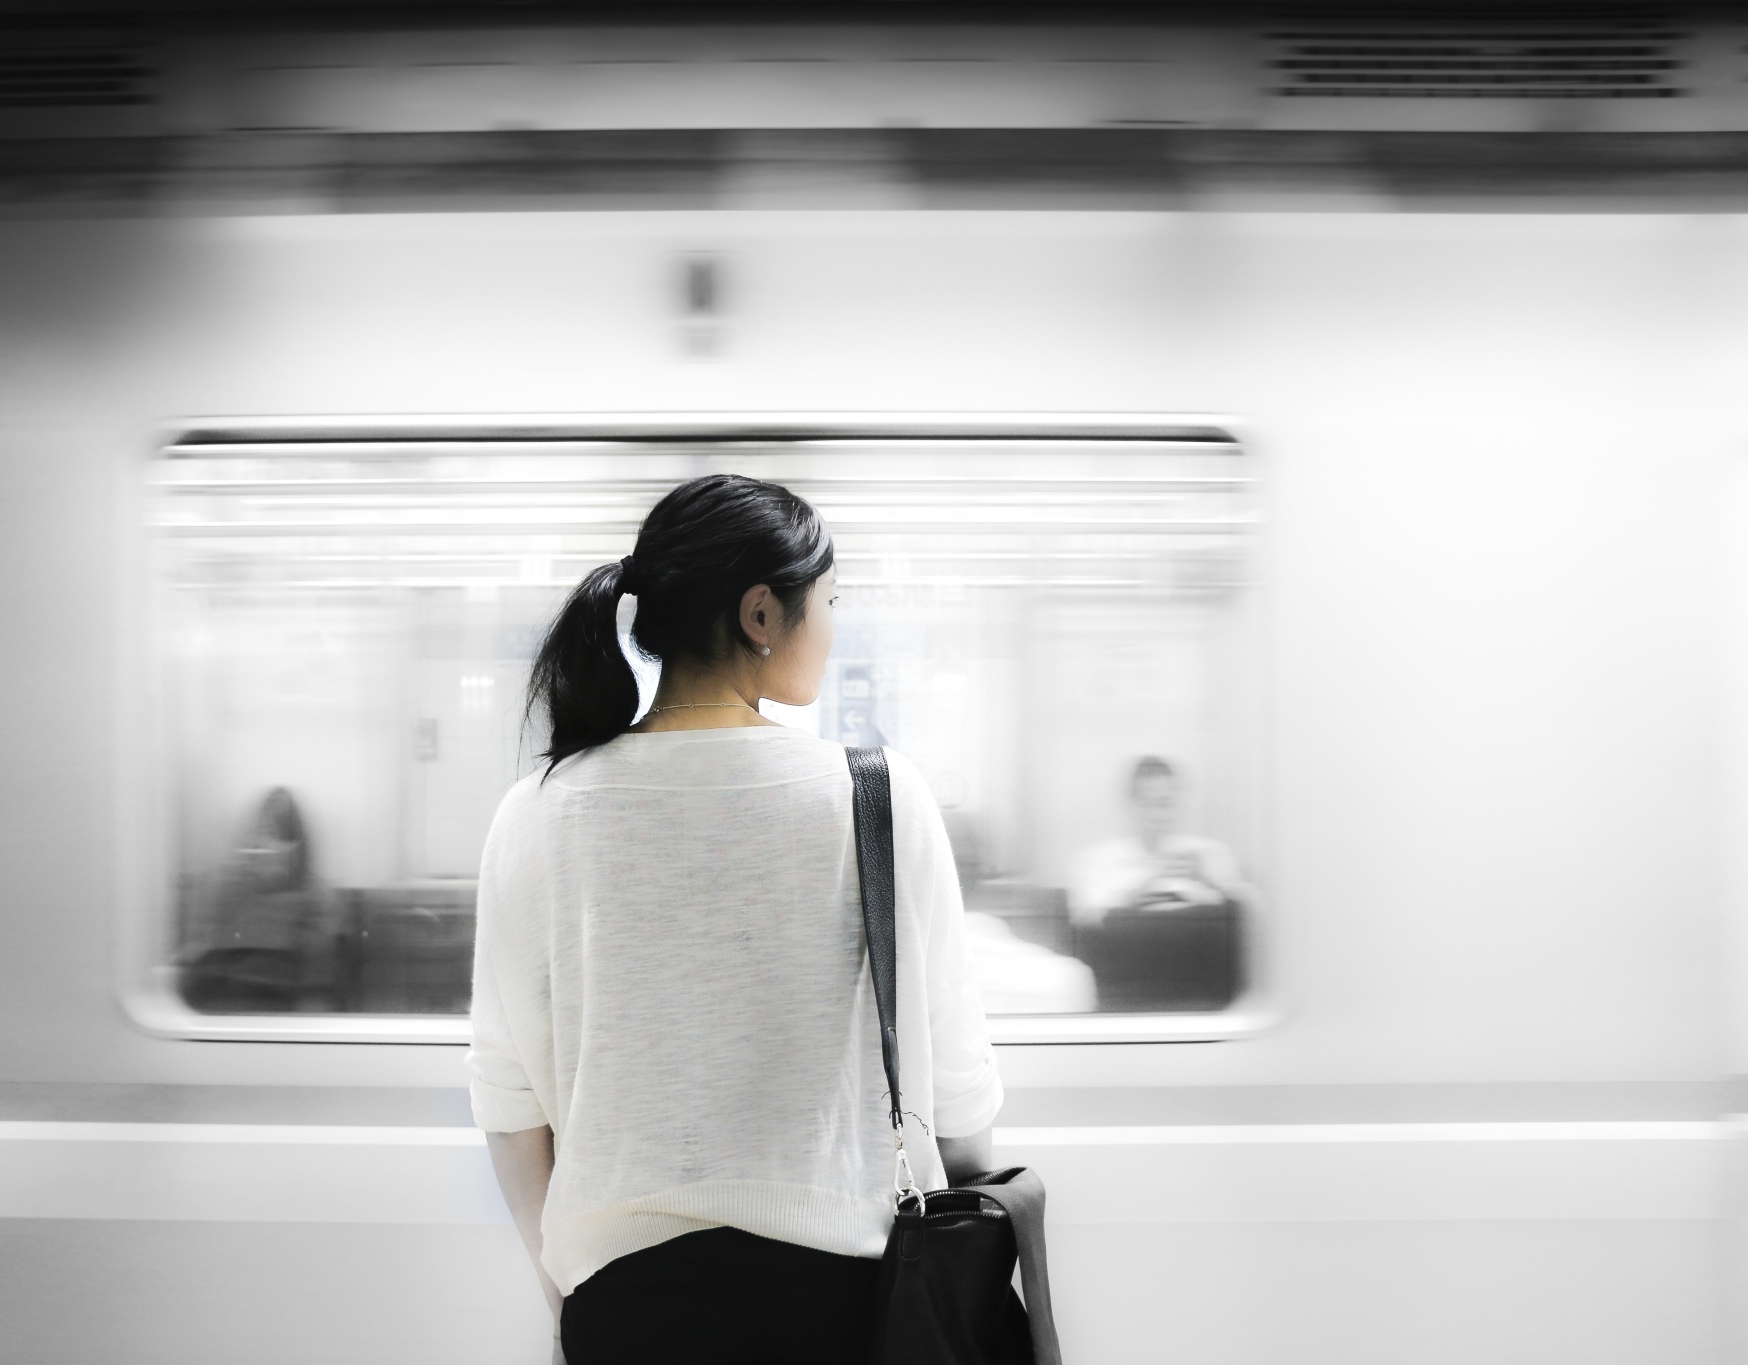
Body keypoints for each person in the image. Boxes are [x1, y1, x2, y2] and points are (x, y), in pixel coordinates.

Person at [467, 474, 1002, 1365]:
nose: (833, 627)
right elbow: (957, 1092)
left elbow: (509, 1102)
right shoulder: (880, 796)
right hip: (848, 1305)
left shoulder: (535, 810)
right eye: (827, 601)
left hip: (624, 1310)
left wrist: (568, 1302)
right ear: (761, 614)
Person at [180, 787, 331, 1012]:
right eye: (261, 835)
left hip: (285, 1008)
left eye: (279, 837)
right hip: (228, 1006)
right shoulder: (227, 886)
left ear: (296, 846)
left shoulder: (315, 896)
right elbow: (204, 956)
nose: (268, 847)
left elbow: (319, 974)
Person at [1069, 756, 1251, 926]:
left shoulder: (1209, 854)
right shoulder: (1097, 861)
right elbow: (1082, 922)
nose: (1157, 814)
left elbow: (1253, 912)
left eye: (1166, 803)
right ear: (1131, 805)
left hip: (1198, 953)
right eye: (1147, 803)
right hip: (1125, 953)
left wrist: (1207, 880)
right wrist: (1132, 897)